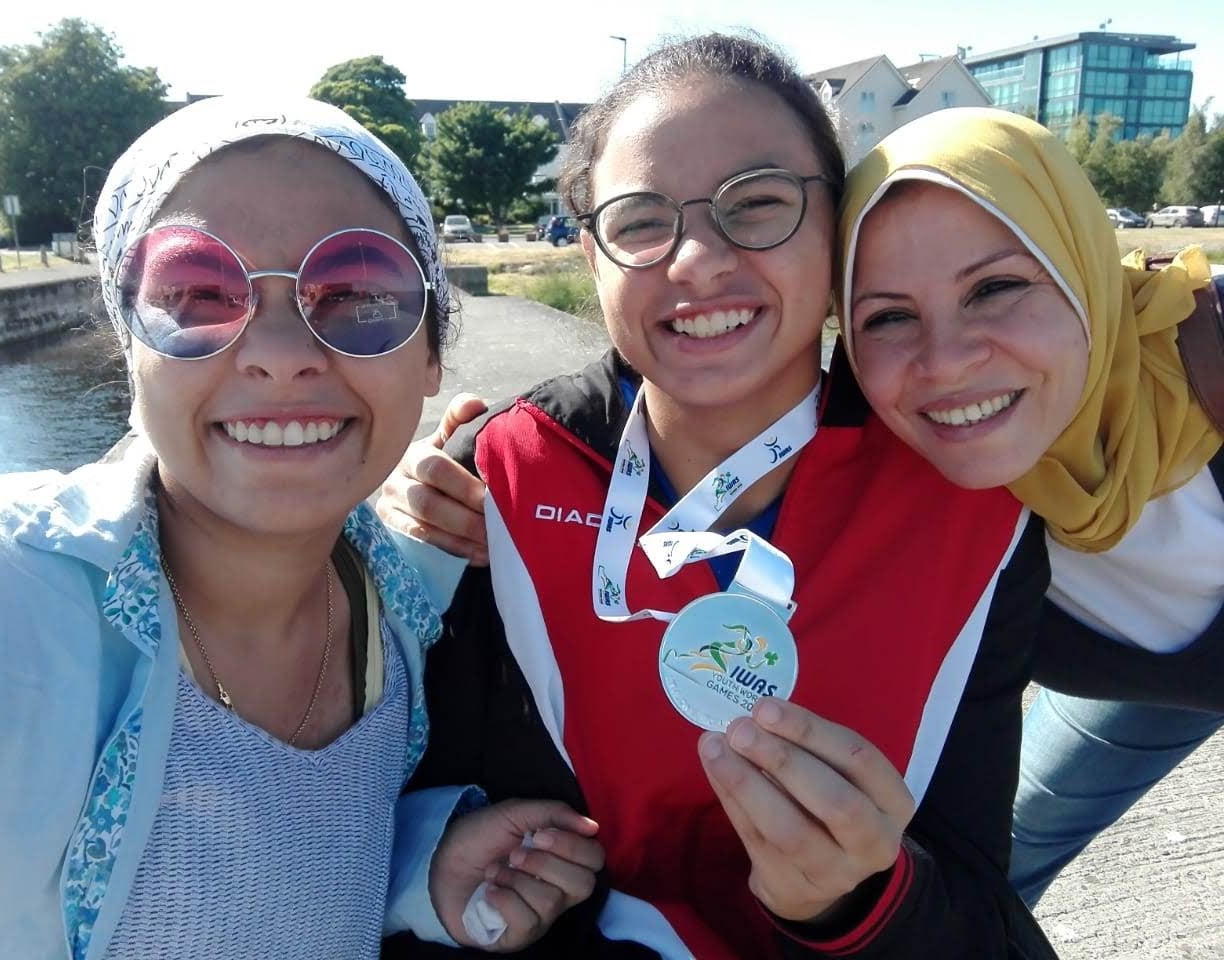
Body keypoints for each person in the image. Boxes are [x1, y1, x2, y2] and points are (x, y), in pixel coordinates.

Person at [379, 35, 1059, 960]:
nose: (698, 259)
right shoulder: (489, 483)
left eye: (761, 204)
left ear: (836, 233)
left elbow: (978, 918)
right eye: (641, 220)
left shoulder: (968, 510)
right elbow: (367, 802)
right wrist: (435, 856)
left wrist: (862, 902)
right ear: (590, 255)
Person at [0, 96, 605, 958]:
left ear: (431, 355)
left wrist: (414, 875)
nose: (281, 351)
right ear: (129, 345)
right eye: (197, 293)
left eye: (357, 292)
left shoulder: (401, 611)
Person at [835, 107, 1223, 908]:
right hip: (1163, 694)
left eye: (998, 286)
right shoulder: (912, 470)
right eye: (888, 316)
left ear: (1083, 266)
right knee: (972, 887)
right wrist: (501, 508)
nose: (944, 364)